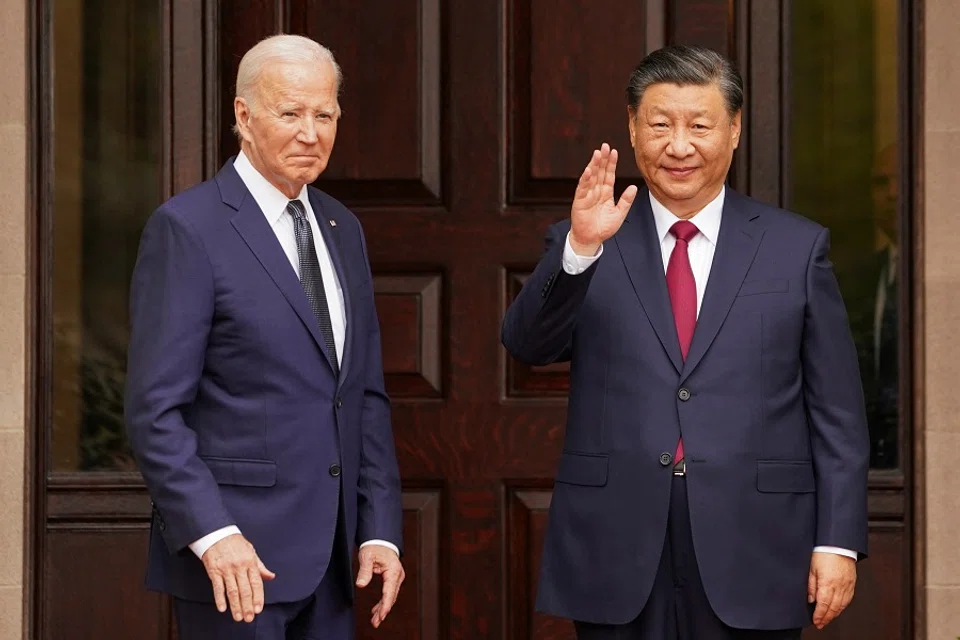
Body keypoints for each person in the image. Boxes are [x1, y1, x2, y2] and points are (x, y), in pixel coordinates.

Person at [501, 44, 869, 640]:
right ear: (631, 127)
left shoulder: (795, 249)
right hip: (616, 541)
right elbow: (527, 344)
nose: (679, 146)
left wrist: (838, 540)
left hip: (756, 541)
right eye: (660, 124)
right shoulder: (590, 237)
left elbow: (838, 414)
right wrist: (579, 251)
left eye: (700, 125)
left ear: (735, 129)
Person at [124, 34, 404, 639]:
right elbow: (154, 412)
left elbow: (363, 395)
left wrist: (379, 526)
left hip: (334, 562)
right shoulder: (188, 229)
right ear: (243, 117)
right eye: (290, 113)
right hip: (234, 563)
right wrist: (214, 536)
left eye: (324, 114)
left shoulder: (341, 226)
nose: (311, 132)